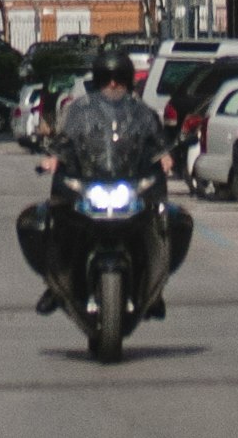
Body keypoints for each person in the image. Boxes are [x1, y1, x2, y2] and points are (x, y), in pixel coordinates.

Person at [28, 43, 173, 309]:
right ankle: (56, 284)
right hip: (89, 183)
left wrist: (164, 156)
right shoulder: (80, 112)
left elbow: (156, 141)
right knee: (43, 223)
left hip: (129, 183)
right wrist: (54, 158)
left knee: (171, 221)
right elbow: (65, 140)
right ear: (98, 81)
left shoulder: (142, 114)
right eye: (107, 79)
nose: (113, 84)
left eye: (119, 79)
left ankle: (153, 286)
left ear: (128, 82)